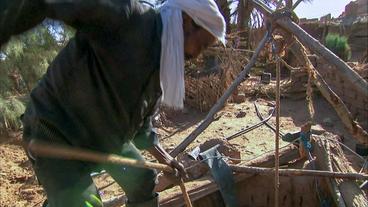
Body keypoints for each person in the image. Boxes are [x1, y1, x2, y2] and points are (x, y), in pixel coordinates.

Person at [0, 0, 226, 206]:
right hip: (55, 129)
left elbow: (142, 122)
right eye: (203, 44)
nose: (198, 54)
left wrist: (164, 157)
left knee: (144, 182)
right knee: (82, 202)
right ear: (187, 22)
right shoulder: (128, 17)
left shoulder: (162, 62)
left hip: (106, 138)